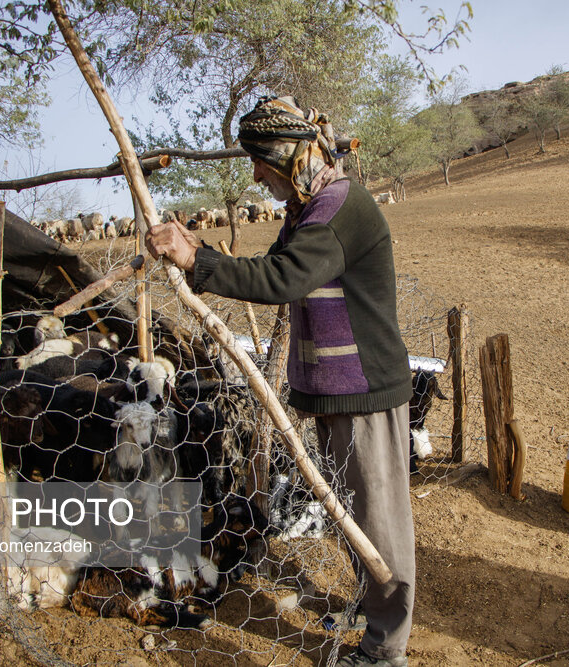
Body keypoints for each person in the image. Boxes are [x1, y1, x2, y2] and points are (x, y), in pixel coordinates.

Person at [145, 95, 414, 667]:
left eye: (262, 163)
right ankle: (372, 612)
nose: (257, 174)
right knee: (350, 513)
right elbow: (273, 265)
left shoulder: (342, 207)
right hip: (338, 389)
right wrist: (206, 257)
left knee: (378, 521)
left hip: (363, 390)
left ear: (290, 156)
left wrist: (199, 259)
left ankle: (387, 648)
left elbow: (283, 277)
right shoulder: (308, 209)